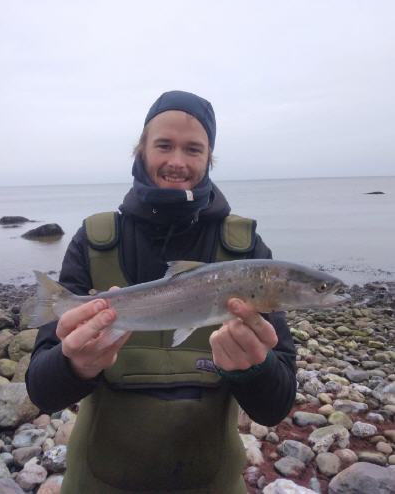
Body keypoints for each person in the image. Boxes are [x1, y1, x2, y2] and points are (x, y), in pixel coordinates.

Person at [26, 90, 296, 494]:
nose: (177, 161)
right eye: (164, 145)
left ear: (209, 158)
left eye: (193, 149)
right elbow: (41, 392)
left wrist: (256, 369)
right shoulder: (94, 239)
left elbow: (274, 408)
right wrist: (73, 364)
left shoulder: (247, 253)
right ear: (142, 149)